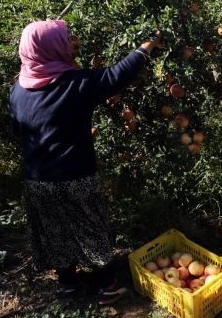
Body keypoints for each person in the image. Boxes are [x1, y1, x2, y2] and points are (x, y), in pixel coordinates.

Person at [10, 19, 161, 303]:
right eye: (65, 39)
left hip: (37, 178)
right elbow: (118, 74)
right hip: (75, 174)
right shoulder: (74, 85)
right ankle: (107, 286)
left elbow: (19, 131)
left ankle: (68, 285)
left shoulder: (17, 91)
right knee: (90, 228)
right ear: (51, 47)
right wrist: (148, 44)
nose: (71, 43)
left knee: (55, 232)